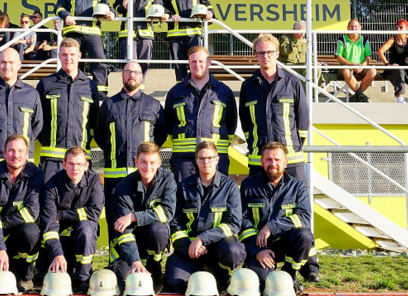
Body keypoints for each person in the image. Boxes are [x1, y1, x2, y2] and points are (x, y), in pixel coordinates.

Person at [95, 61, 167, 247]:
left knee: (143, 219)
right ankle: (117, 262)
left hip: (143, 178)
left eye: (135, 72)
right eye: (127, 72)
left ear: (141, 76)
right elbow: (100, 136)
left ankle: (145, 260)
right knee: (115, 221)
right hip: (115, 177)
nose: (131, 76)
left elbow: (160, 136)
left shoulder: (154, 106)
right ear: (122, 75)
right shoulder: (109, 105)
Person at [165, 141, 246, 294]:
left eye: (210, 158)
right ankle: (197, 269)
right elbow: (175, 225)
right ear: (196, 160)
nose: (206, 162)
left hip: (218, 246)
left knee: (234, 251)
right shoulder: (182, 187)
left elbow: (233, 224)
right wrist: (188, 246)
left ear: (217, 160)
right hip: (189, 248)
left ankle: (223, 277)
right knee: (175, 283)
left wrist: (203, 238)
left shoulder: (230, 187)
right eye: (201, 158)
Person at [239, 141, 318, 294]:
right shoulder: (248, 185)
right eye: (268, 159)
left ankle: (291, 274)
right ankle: (268, 270)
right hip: (260, 245)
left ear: (286, 162)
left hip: (287, 244)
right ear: (261, 162)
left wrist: (272, 226)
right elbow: (242, 221)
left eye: (277, 160)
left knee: (304, 235)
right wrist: (257, 250)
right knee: (261, 282)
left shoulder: (297, 186)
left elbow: (304, 217)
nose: (273, 163)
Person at [0, 134, 43, 292]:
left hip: (19, 235)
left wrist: (3, 222)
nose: (16, 155)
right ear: (4, 153)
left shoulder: (36, 175)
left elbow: (32, 212)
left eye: (20, 151)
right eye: (11, 150)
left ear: (27, 154)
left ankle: (26, 276)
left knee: (31, 230)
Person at [239, 33, 309, 184]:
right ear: (255, 55)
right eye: (261, 52)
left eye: (270, 52)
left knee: (296, 203)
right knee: (258, 204)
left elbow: (302, 119)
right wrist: (253, 144)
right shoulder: (248, 86)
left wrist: (294, 145)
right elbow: (245, 122)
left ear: (277, 53)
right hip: (259, 160)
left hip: (290, 159)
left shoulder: (293, 83)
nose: (266, 56)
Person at [165, 45, 237, 182]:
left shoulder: (223, 92)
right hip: (184, 159)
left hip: (215, 158)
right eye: (193, 61)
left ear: (209, 62)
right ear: (188, 63)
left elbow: (231, 122)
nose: (197, 65)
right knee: (185, 199)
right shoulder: (176, 92)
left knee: (216, 199)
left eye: (201, 61)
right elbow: (168, 123)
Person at [38, 146, 104, 293]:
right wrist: (57, 254)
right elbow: (49, 224)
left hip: (82, 237)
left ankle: (83, 277)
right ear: (64, 164)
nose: (75, 168)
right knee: (53, 275)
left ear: (86, 165)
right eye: (71, 164)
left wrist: (62, 215)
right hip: (60, 239)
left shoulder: (93, 180)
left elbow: (94, 212)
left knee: (86, 228)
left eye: (79, 164)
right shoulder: (52, 185)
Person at [110, 141, 176, 288]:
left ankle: (155, 265)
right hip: (132, 241)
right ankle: (137, 262)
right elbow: (124, 230)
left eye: (152, 162)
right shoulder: (124, 187)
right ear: (136, 162)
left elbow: (167, 212)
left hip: (154, 237)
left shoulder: (168, 180)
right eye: (143, 162)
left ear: (159, 162)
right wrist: (135, 261)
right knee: (122, 280)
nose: (148, 167)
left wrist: (134, 217)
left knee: (157, 229)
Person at [36, 37, 99, 182]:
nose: (68, 58)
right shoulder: (46, 84)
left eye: (72, 54)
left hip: (80, 160)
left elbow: (94, 121)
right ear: (59, 56)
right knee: (48, 202)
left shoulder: (90, 86)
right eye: (64, 54)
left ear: (79, 56)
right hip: (51, 160)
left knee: (79, 201)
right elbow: (37, 119)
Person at [55, 0, 116, 98]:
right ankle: (74, 90)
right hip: (73, 33)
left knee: (100, 61)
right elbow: (58, 7)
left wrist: (112, 14)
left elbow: (109, 8)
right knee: (74, 61)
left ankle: (100, 93)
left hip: (93, 32)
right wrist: (66, 15)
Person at [161, 0, 214, 82]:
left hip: (194, 34)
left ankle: (197, 89)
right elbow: (162, 7)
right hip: (175, 35)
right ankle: (182, 92)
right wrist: (169, 14)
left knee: (196, 65)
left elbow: (207, 4)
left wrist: (210, 13)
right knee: (179, 67)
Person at [113, 0, 162, 85]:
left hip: (146, 32)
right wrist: (123, 7)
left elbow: (160, 8)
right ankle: (128, 87)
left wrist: (163, 14)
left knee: (144, 64)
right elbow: (115, 7)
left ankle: (141, 89)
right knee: (129, 64)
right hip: (128, 31)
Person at [335, 19, 377, 102]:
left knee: (373, 71)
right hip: (347, 67)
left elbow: (368, 57)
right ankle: (360, 95)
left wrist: (363, 65)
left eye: (356, 26)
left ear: (360, 28)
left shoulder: (364, 40)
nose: (354, 28)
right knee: (346, 71)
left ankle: (358, 95)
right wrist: (351, 65)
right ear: (347, 28)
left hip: (361, 67)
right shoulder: (341, 39)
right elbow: (339, 57)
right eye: (351, 26)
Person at [279, 20, 325, 86]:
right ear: (294, 30)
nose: (302, 34)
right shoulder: (285, 38)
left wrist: (315, 61)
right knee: (306, 69)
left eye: (304, 32)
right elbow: (285, 51)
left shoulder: (305, 41)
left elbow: (310, 55)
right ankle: (304, 94)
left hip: (303, 66)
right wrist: (298, 42)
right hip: (289, 66)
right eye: (300, 31)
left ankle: (313, 92)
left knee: (316, 68)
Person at [377, 19, 408, 103]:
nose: (398, 29)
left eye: (401, 27)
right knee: (399, 70)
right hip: (393, 68)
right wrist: (388, 64)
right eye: (396, 27)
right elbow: (380, 52)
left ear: (406, 29)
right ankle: (400, 97)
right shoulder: (392, 39)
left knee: (402, 70)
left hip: (406, 67)